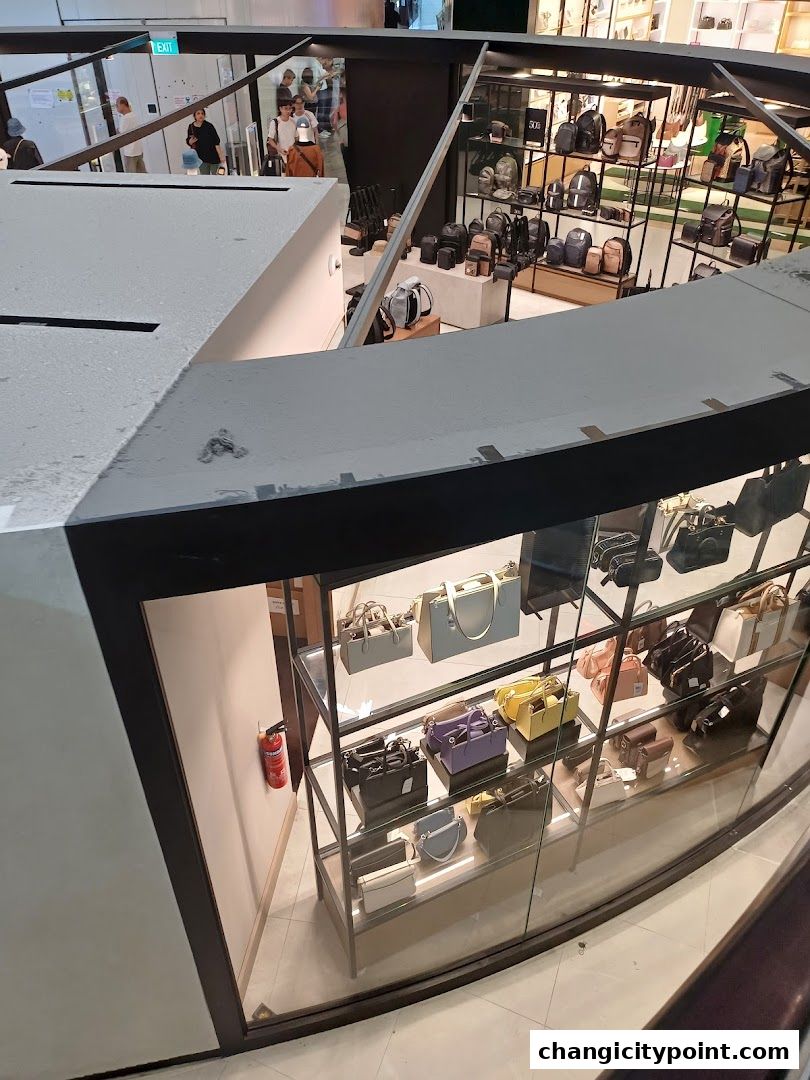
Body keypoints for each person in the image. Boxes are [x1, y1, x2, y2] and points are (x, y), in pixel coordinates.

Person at [185, 108, 226, 175]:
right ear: (194, 116)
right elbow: (188, 140)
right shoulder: (191, 127)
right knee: (205, 177)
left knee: (217, 176)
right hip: (201, 158)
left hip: (213, 156)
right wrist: (190, 141)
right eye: (198, 113)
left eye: (202, 113)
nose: (200, 115)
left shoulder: (209, 126)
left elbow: (216, 141)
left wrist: (221, 156)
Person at [115, 96, 146, 174]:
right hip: (138, 149)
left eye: (117, 105)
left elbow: (121, 134)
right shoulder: (134, 115)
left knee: (131, 175)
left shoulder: (125, 118)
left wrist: (118, 130)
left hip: (130, 152)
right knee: (142, 173)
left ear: (122, 104)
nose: (116, 108)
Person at [266, 99, 297, 170]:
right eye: (286, 108)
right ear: (280, 109)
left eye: (290, 108)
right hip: (280, 156)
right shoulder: (275, 122)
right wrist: (279, 149)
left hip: (293, 154)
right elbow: (270, 139)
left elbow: (296, 137)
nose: (288, 111)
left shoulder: (294, 121)